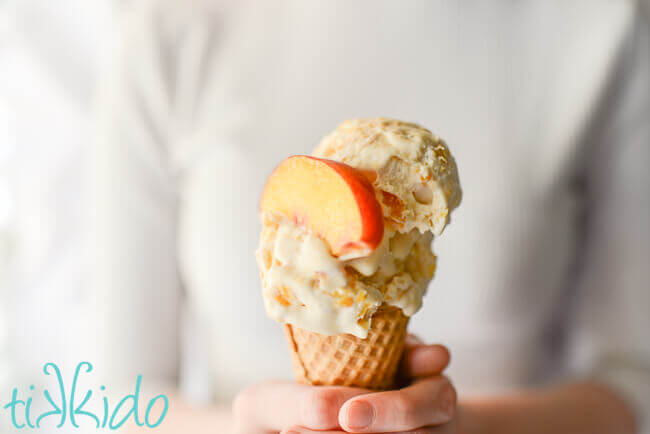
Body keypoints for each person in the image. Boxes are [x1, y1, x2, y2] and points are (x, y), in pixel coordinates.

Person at [90, 0, 650, 433]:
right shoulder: (172, 28)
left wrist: (476, 426)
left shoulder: (601, 24)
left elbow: (634, 382)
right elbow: (113, 397)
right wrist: (245, 427)